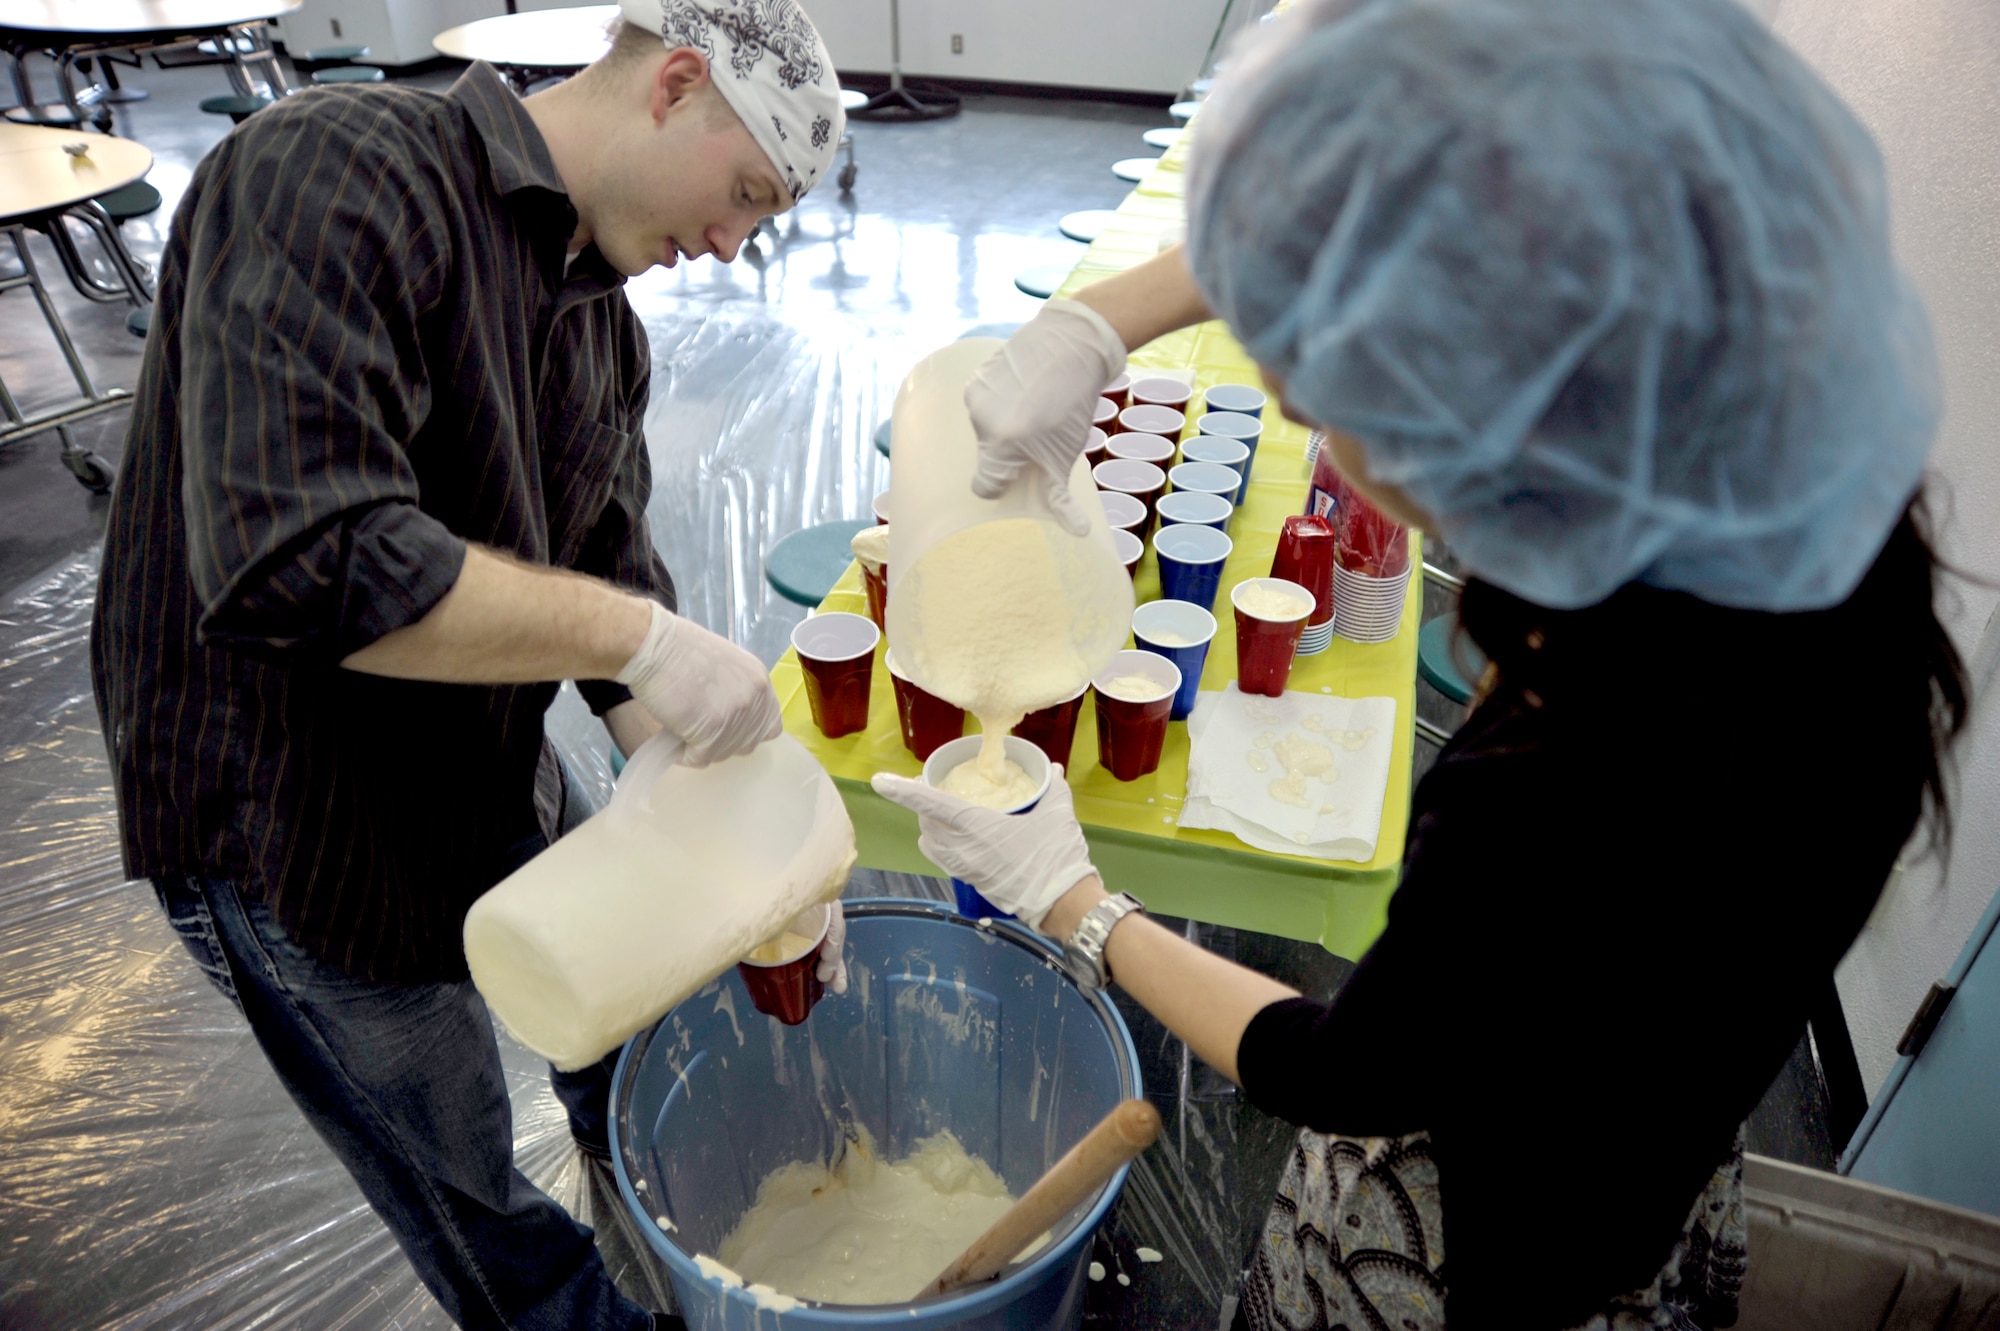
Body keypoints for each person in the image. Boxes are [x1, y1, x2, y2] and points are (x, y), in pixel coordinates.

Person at [878, 0, 1970, 1326]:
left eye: (1352, 387)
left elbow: (1348, 1073)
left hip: (1499, 1255)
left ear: (1517, 418)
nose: (1309, 423)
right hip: (1654, 1160)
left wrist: (1076, 900)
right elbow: (1455, 199)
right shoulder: (1822, 555)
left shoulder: (1569, 784)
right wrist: (1104, 322)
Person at [88, 3, 846, 1327]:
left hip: (476, 756)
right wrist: (641, 642)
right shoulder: (334, 172)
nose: (731, 243)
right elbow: (303, 556)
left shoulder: (596, 319)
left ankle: (680, 1226)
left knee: (620, 1015)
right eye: (743, 196)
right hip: (290, 818)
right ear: (675, 85)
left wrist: (745, 841)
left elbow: (607, 569)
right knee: (459, 1160)